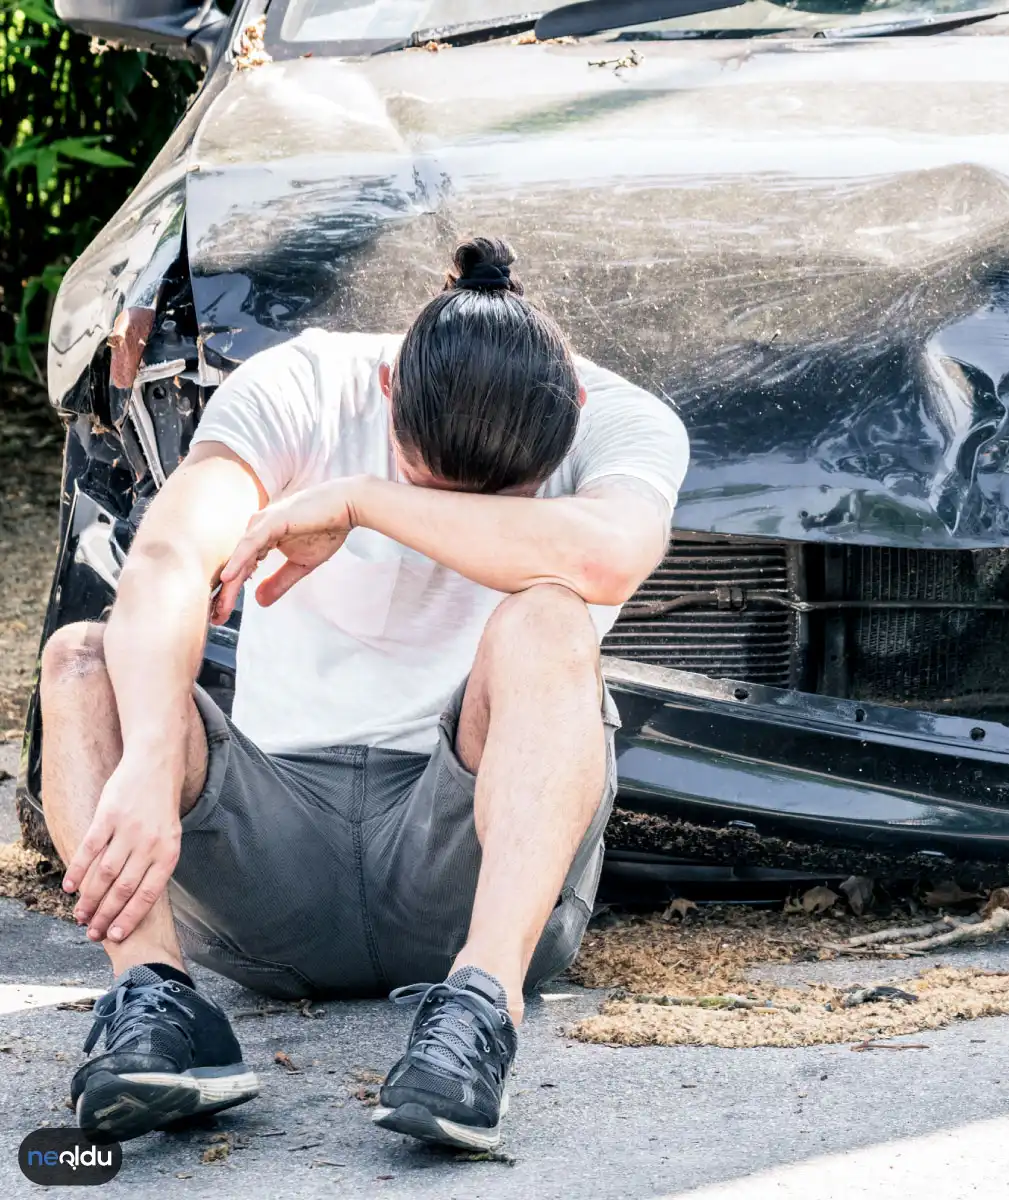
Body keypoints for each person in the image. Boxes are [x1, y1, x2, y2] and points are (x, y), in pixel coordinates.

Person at [36, 236, 690, 1152]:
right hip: (275, 863)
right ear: (390, 391)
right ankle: (157, 1005)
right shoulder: (304, 384)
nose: (458, 517)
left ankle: (476, 1017)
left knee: (549, 615)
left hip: (464, 864)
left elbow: (611, 554)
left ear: (571, 410)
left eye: (502, 501)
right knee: (82, 659)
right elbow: (172, 556)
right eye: (427, 482)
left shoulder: (627, 419)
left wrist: (366, 501)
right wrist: (149, 752)